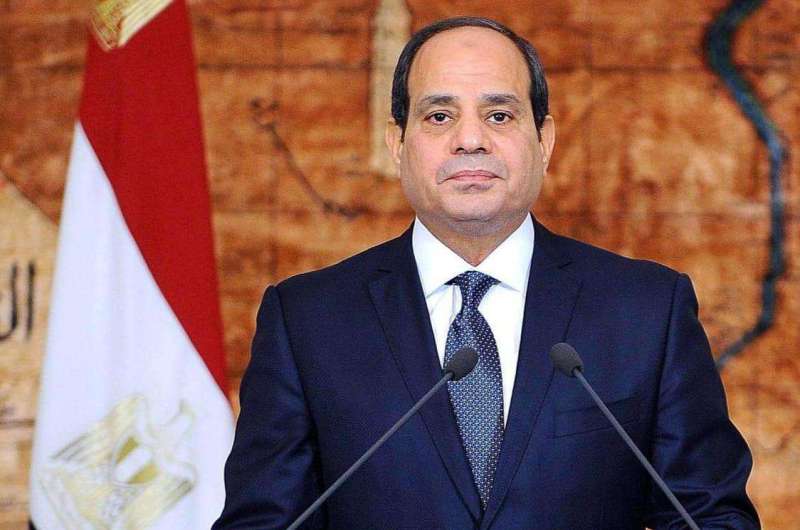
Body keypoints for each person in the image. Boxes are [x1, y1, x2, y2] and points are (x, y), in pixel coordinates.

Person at [213, 16, 759, 529]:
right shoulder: (308, 320)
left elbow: (711, 517)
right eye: (439, 116)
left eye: (499, 115)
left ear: (544, 141)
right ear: (397, 143)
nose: (470, 139)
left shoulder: (647, 311)